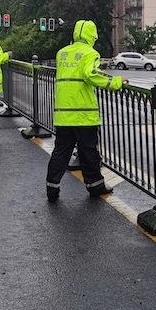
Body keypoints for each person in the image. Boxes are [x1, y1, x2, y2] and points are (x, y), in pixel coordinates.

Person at [45, 20, 126, 202]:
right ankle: (95, 186)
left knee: (61, 152)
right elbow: (91, 75)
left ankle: (52, 187)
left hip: (63, 114)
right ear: (93, 35)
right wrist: (116, 82)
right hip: (84, 114)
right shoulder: (91, 53)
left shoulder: (62, 53)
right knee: (88, 152)